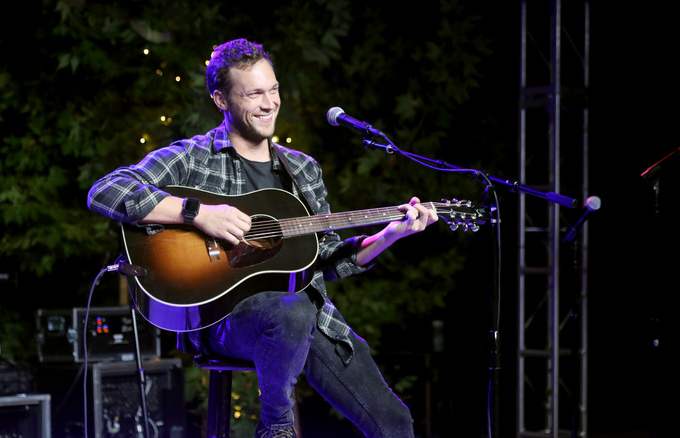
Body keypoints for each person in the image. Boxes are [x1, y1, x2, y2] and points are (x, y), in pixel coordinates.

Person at [87, 38, 437, 438]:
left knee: (395, 423)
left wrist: (390, 235)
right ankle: (276, 427)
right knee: (289, 310)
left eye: (273, 90)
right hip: (221, 319)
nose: (270, 103)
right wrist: (198, 214)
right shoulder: (194, 156)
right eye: (254, 93)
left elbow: (323, 261)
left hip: (307, 318)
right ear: (221, 100)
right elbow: (106, 190)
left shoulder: (302, 171)